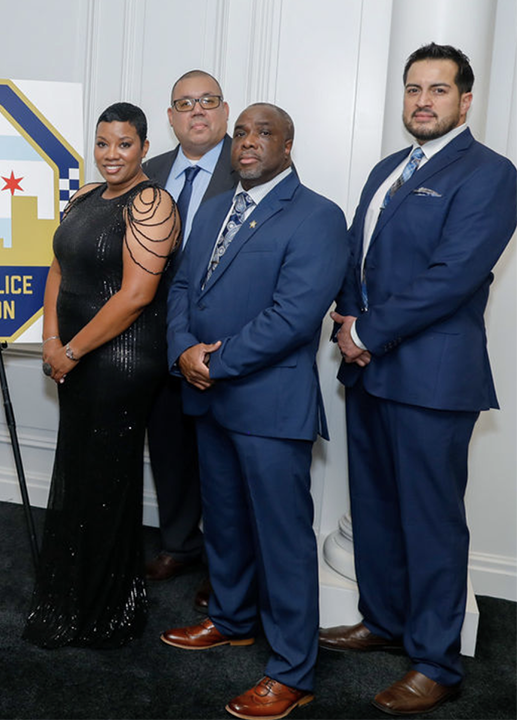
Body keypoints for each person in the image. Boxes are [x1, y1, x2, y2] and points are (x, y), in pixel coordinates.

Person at [325, 43, 517, 716]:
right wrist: (347, 316)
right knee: (375, 507)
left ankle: (436, 662)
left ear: (466, 101)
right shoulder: (387, 168)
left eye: (438, 90)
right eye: (413, 89)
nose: (423, 101)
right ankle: (382, 621)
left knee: (432, 522)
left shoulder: (491, 174)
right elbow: (360, 255)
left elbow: (453, 277)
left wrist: (367, 334)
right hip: (369, 372)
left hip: (433, 378)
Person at [160, 104, 347, 720]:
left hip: (267, 402)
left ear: (288, 145)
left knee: (282, 540)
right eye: (240, 132)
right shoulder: (212, 207)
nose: (247, 142)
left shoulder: (319, 216)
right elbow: (184, 286)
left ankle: (293, 671)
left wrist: (216, 362)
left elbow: (294, 317)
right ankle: (232, 619)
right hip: (209, 397)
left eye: (262, 133)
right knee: (227, 522)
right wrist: (184, 349)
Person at [23, 102, 179, 649]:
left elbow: (136, 296)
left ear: (143, 147)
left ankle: (104, 609)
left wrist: (73, 350)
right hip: (75, 353)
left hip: (121, 361)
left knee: (104, 481)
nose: (112, 155)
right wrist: (50, 340)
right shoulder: (86, 196)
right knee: (80, 471)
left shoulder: (152, 202)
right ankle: (72, 592)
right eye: (103, 143)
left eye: (125, 144)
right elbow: (58, 268)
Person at [140, 71, 238, 611]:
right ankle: (179, 543)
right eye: (184, 104)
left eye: (207, 102)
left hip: (219, 342)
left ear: (224, 112)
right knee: (170, 448)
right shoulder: (149, 172)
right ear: (172, 118)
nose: (196, 111)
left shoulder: (248, 163)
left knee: (220, 460)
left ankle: (222, 567)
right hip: (153, 338)